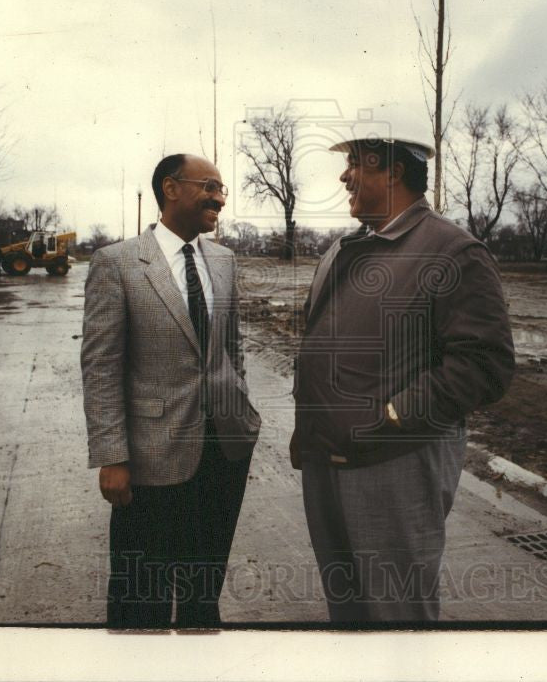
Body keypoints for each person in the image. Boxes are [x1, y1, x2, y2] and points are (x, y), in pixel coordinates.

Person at [290, 137, 515, 623]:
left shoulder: (453, 251)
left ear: (391, 172)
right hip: (326, 462)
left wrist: (392, 416)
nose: (344, 176)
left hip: (395, 464)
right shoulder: (343, 249)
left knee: (397, 617)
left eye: (354, 163)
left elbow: (485, 363)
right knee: (348, 617)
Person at [81, 153, 261, 628]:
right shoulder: (116, 263)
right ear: (170, 188)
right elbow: (101, 367)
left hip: (224, 452)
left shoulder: (223, 262)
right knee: (143, 594)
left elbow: (231, 348)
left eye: (222, 190)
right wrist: (112, 456)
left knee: (204, 590)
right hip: (150, 457)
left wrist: (240, 409)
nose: (219, 199)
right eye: (209, 187)